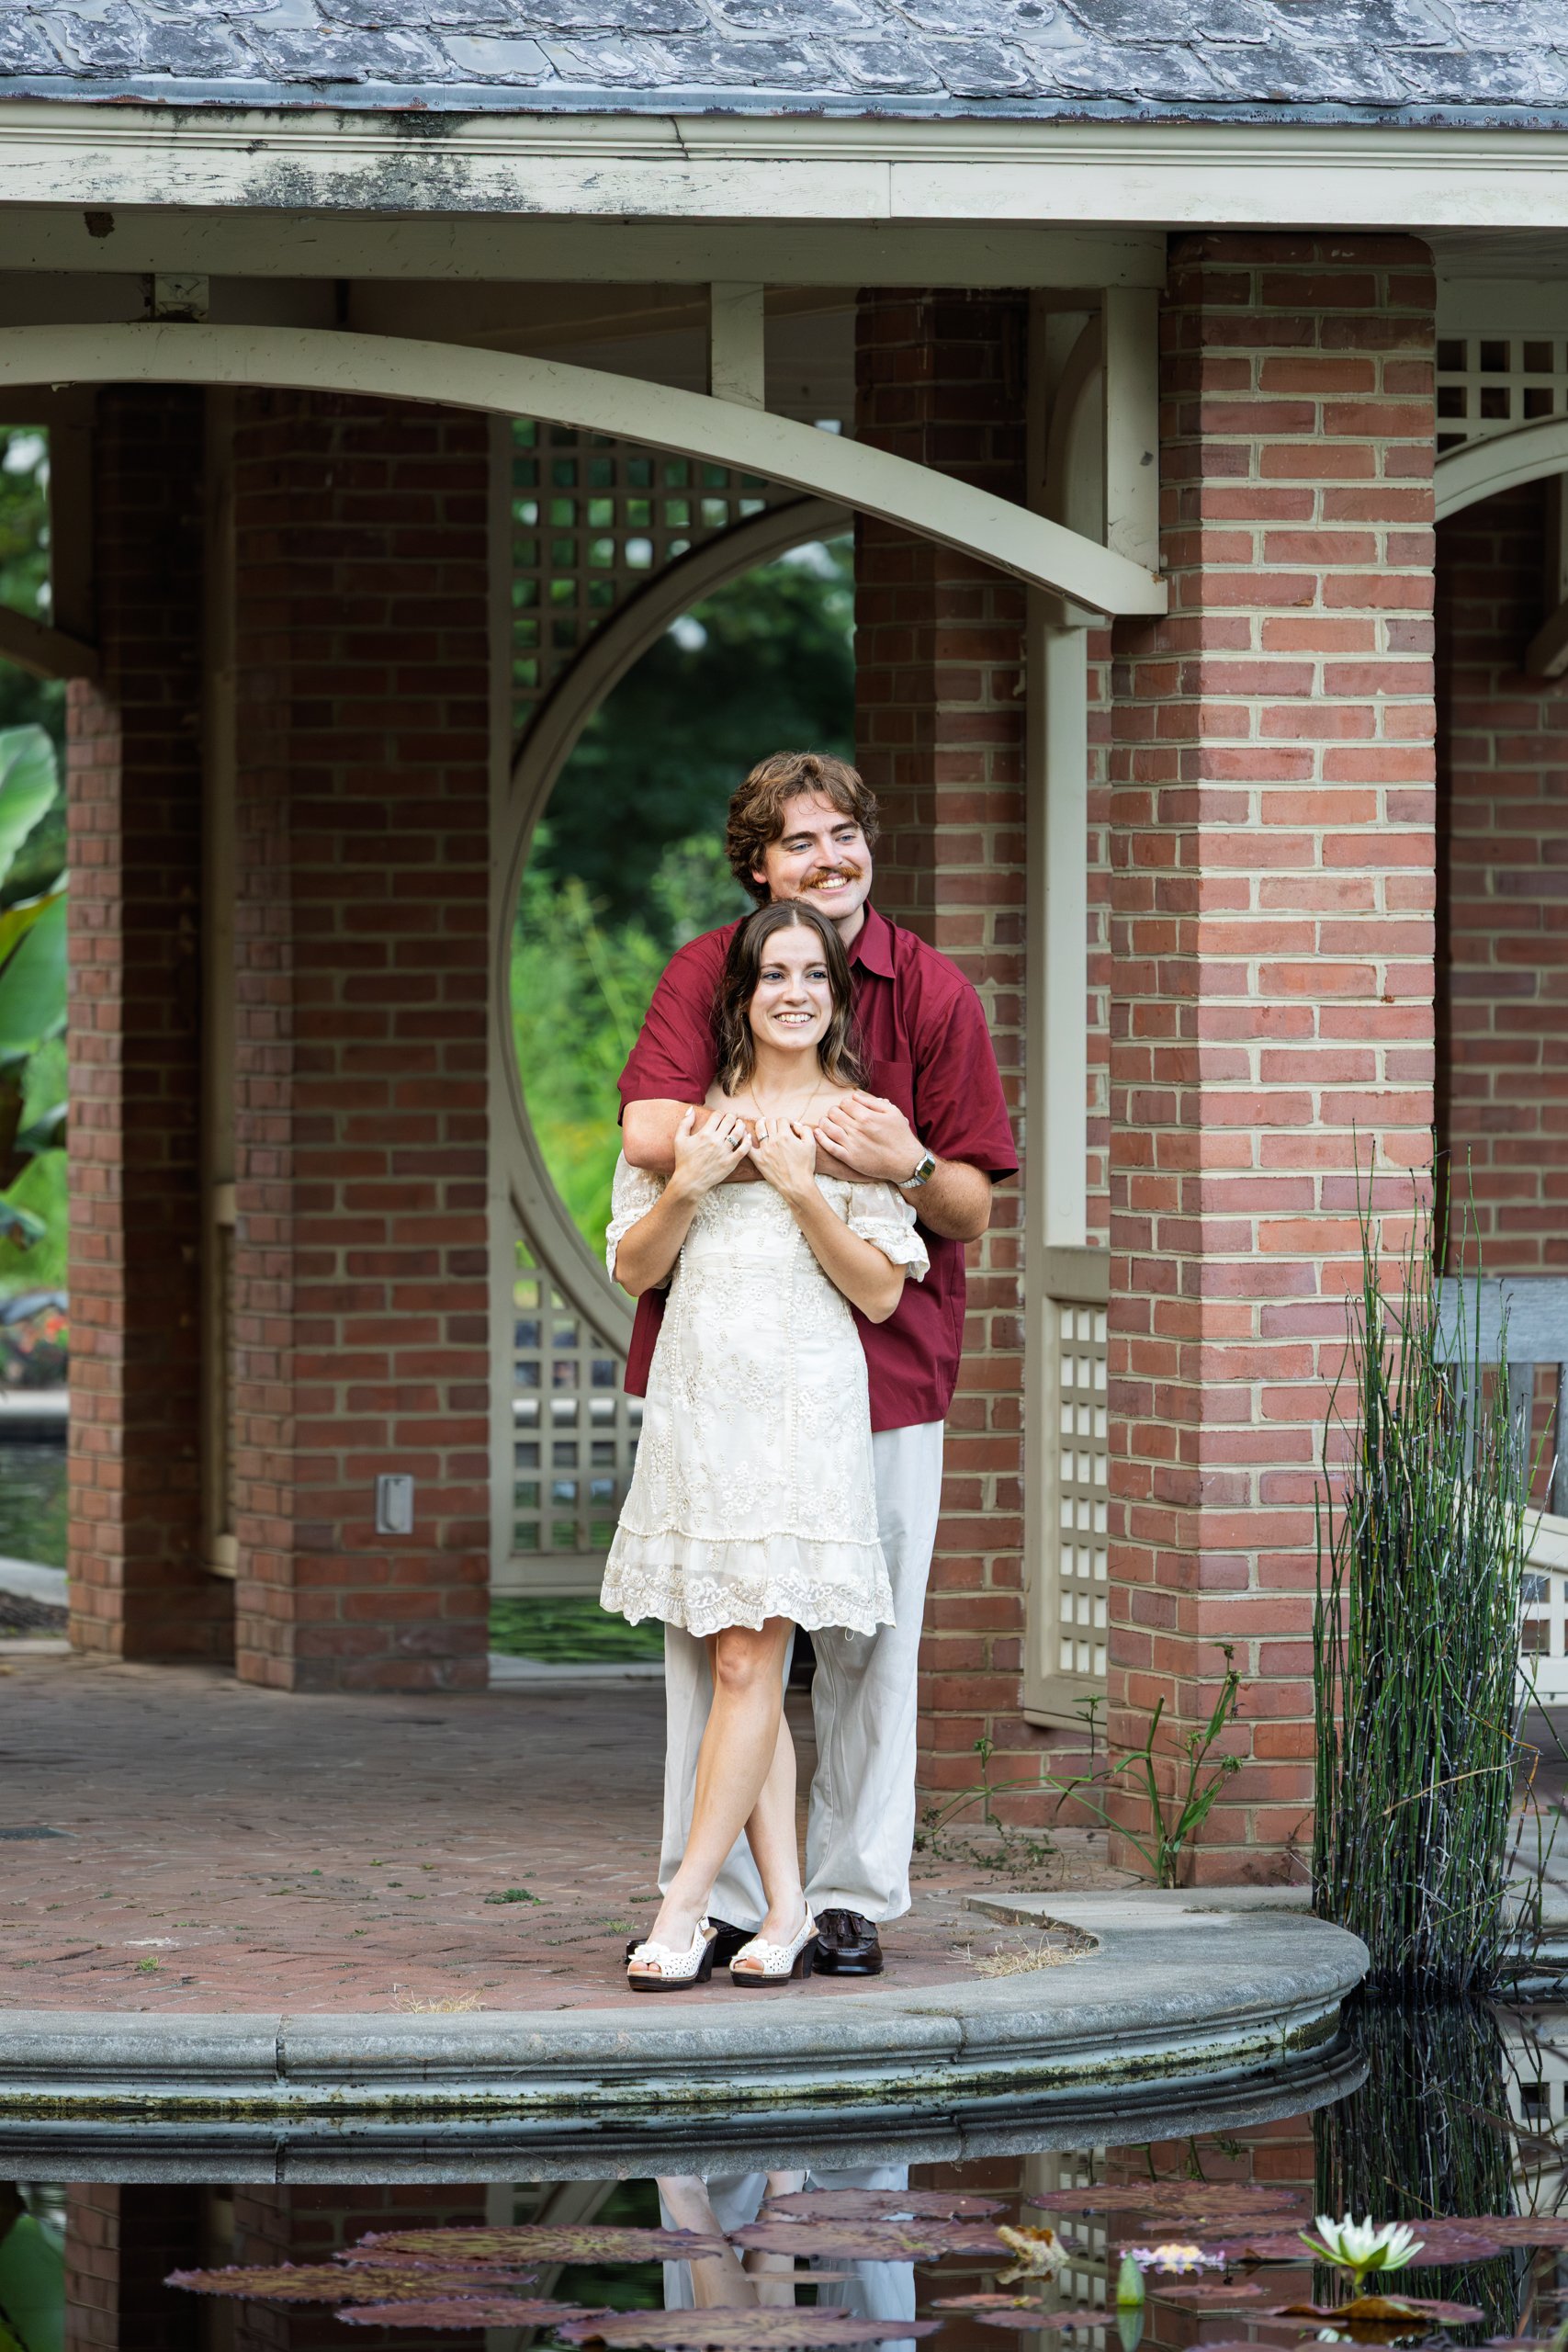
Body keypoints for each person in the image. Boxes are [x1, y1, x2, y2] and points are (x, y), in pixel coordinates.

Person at [618, 749, 1016, 1979]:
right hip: (725, 1367)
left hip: (884, 1365)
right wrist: (800, 1145)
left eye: (844, 834)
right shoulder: (711, 970)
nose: (830, 858)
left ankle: (847, 1896)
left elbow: (966, 1204)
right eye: (800, 841)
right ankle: (721, 1899)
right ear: (758, 866)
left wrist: (900, 1161)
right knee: (719, 1641)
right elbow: (649, 1129)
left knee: (865, 1643)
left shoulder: (933, 991)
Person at [603, 898, 930, 1989]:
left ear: (837, 996)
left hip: (801, 1410)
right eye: (775, 973)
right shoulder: (689, 1124)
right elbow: (634, 1267)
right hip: (702, 1409)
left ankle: (684, 1905)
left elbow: (880, 1292)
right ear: (741, 995)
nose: (797, 992)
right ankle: (785, 1911)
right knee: (736, 1660)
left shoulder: (859, 1123)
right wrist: (690, 1186)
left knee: (750, 1657)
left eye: (816, 975)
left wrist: (803, 1192)